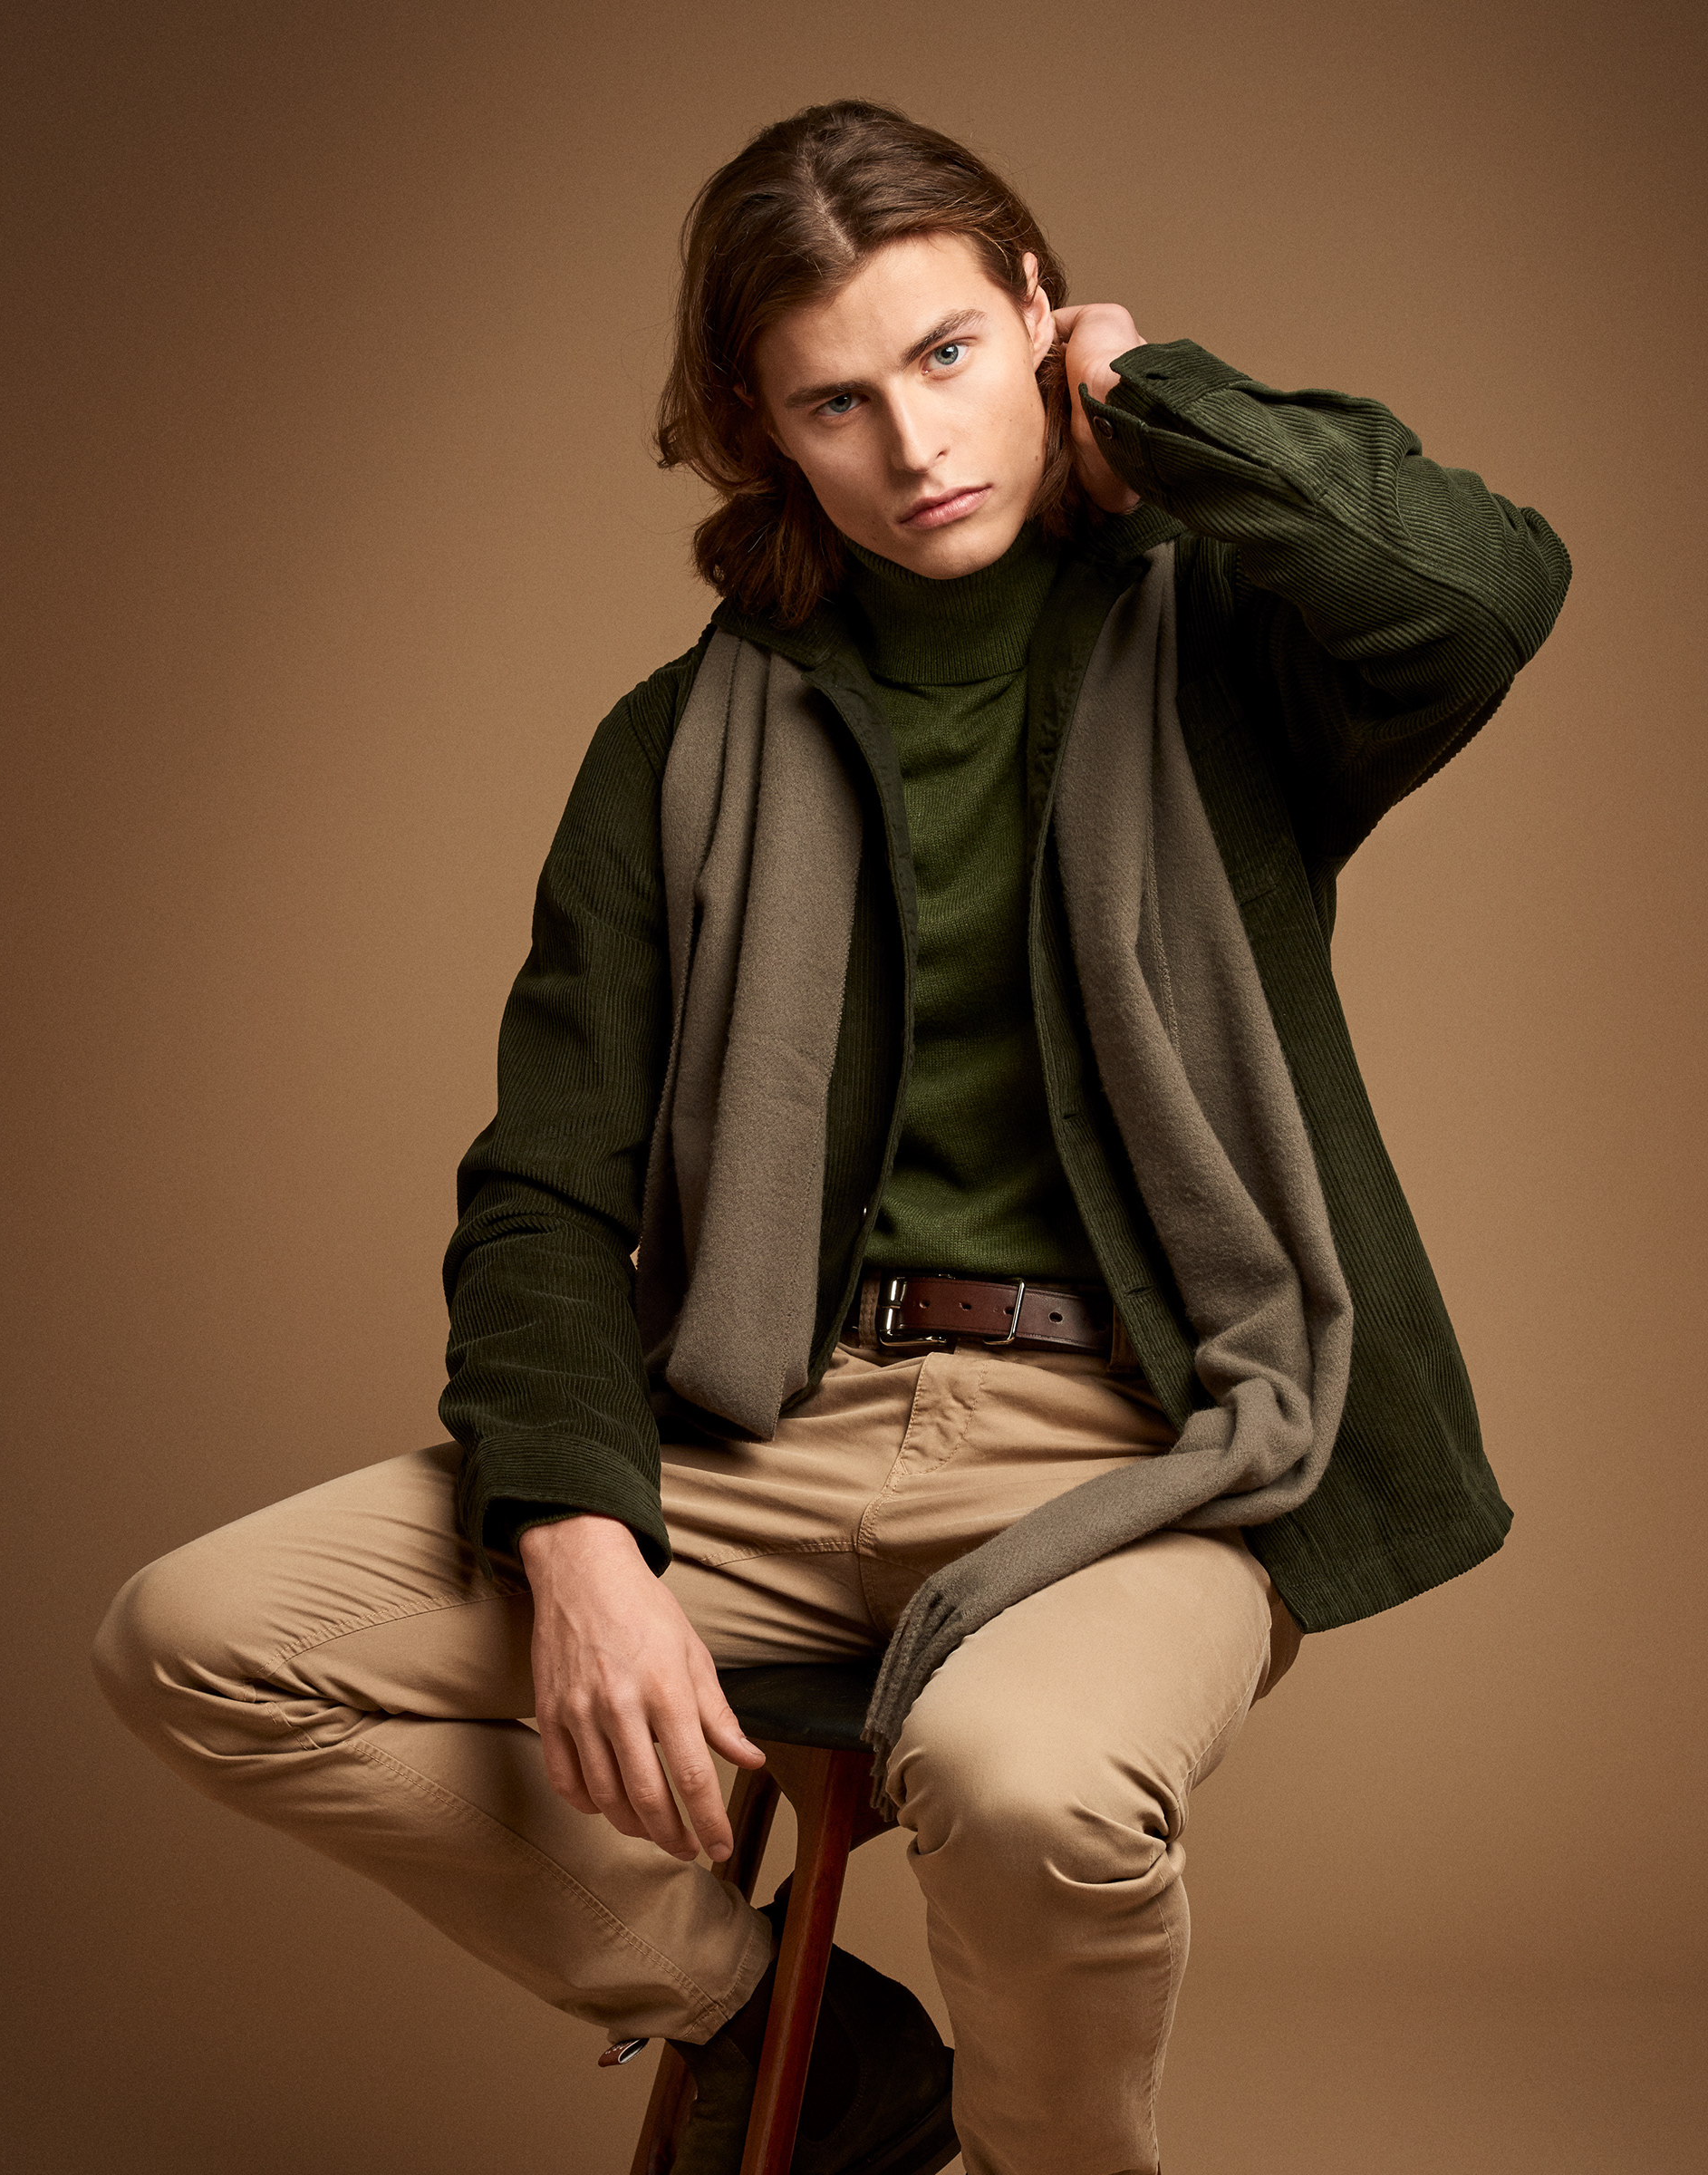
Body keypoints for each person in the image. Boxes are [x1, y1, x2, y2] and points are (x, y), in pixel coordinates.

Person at [94, 100, 1570, 2175]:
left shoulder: (1224, 648)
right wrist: (580, 1536)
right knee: (198, 1642)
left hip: (1140, 1443)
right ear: (760, 430)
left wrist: (1155, 402)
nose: (917, 443)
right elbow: (544, 1191)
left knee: (1025, 1790)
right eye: (836, 401)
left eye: (952, 353)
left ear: (1036, 311)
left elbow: (1478, 594)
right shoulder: (678, 743)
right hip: (767, 1433)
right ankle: (779, 2026)